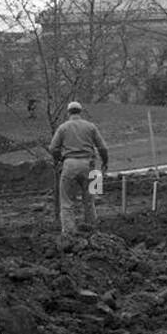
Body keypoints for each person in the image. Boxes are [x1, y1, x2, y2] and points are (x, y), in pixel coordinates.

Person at [48, 101, 109, 235]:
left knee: (67, 201)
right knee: (90, 200)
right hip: (91, 166)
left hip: (69, 164)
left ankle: (69, 233)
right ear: (80, 111)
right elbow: (103, 148)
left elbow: (53, 148)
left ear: (68, 112)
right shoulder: (91, 127)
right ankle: (93, 230)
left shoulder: (63, 127)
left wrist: (59, 159)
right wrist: (105, 162)